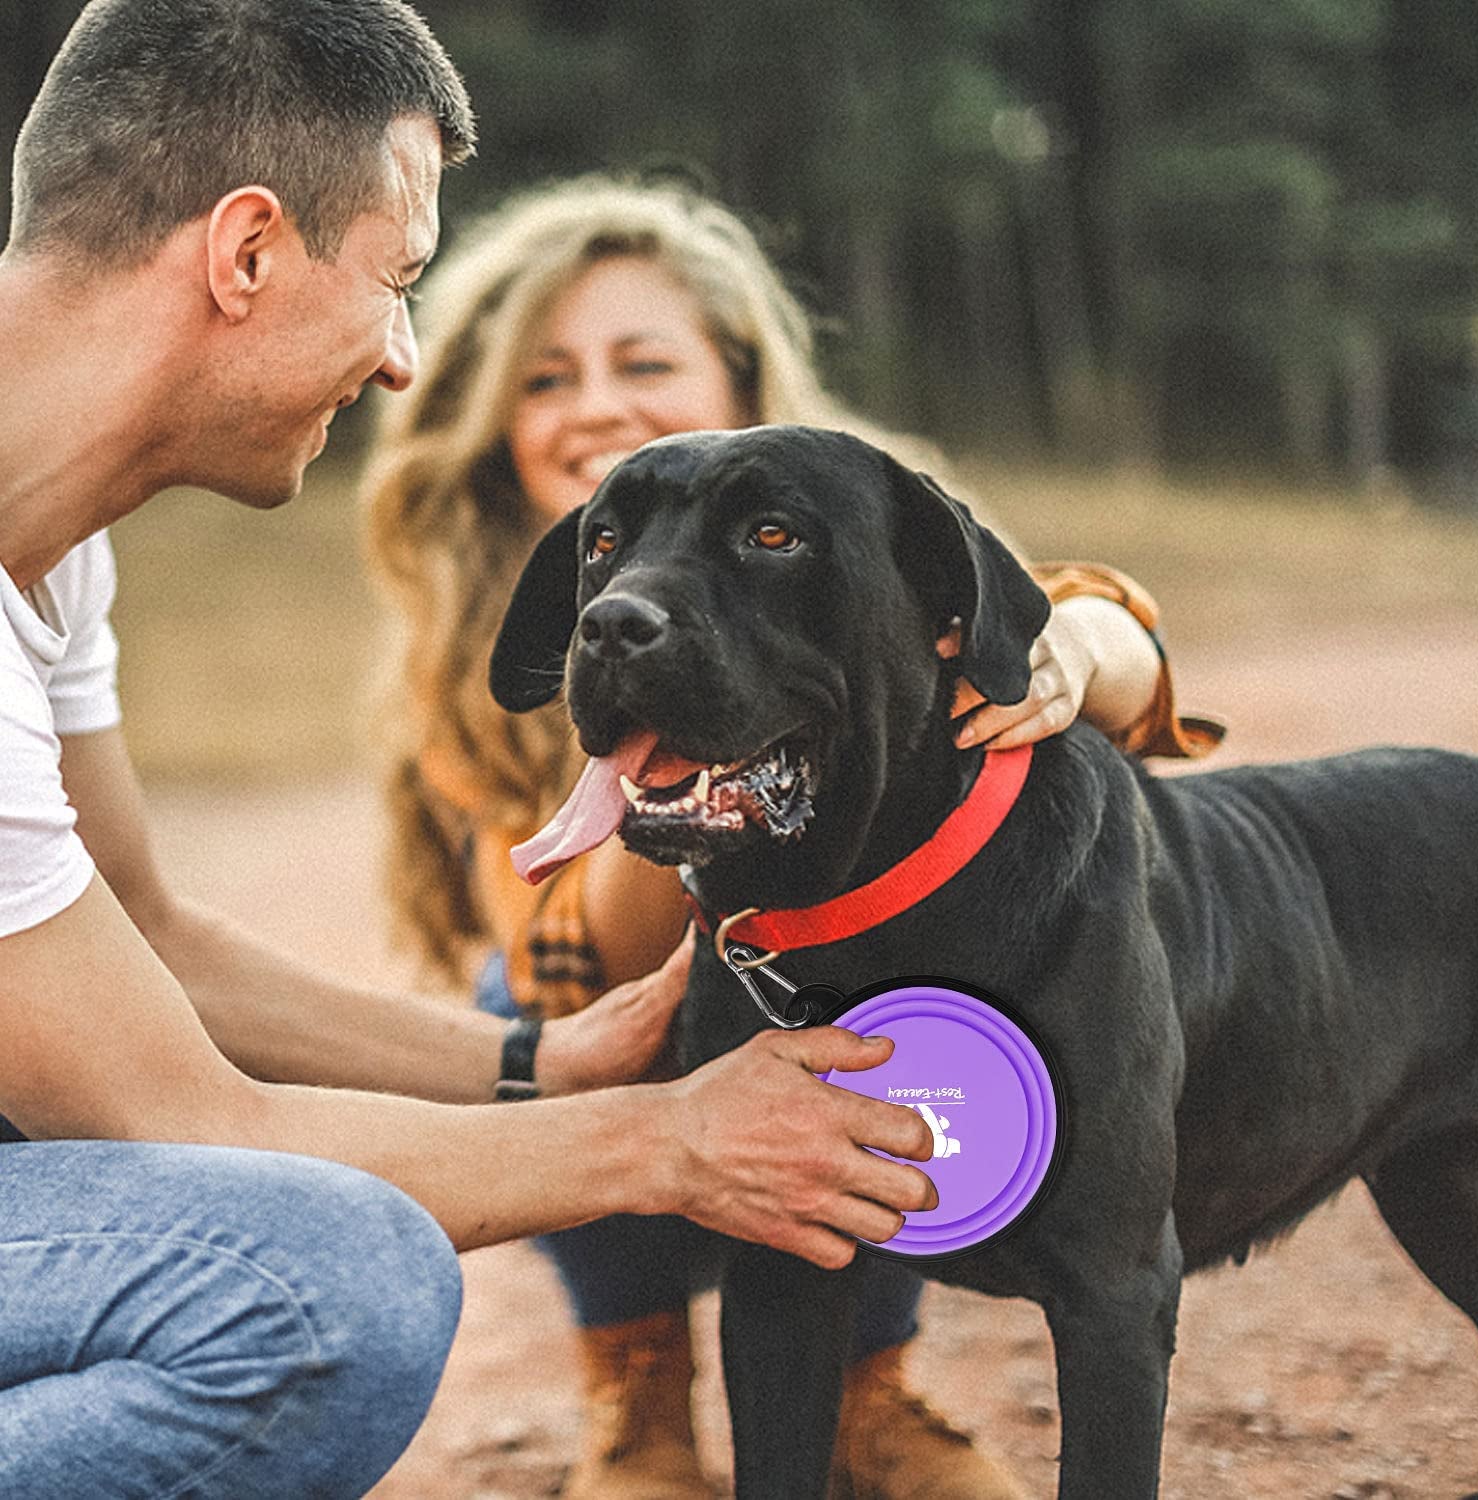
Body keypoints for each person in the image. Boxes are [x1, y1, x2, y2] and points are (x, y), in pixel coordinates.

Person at [0, 6, 949, 1497]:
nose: (398, 361)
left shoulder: (55, 547)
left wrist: (536, 1060)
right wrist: (671, 1141)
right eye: (397, 282)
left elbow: (150, 938)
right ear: (246, 253)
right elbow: (185, 1119)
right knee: (325, 1285)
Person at [363, 173, 1221, 1500]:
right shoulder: (493, 632)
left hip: (868, 965)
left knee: (892, 969)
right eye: (546, 379)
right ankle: (641, 1388)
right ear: (490, 424)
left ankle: (861, 1394)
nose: (597, 403)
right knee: (550, 1003)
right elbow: (554, 945)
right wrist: (685, 784)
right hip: (637, 1001)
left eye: (644, 361)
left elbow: (1054, 619)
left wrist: (1087, 641)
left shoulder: (838, 521)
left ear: (742, 374)